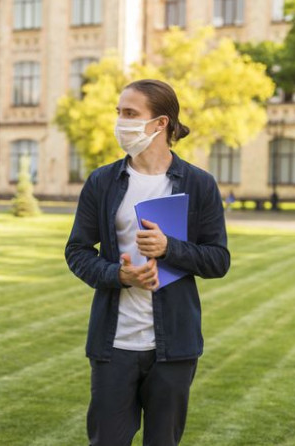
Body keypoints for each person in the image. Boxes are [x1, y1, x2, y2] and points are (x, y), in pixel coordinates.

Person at [65, 79, 230, 446]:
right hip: (114, 344)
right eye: (119, 112)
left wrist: (170, 247)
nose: (120, 122)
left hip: (174, 346)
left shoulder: (198, 184)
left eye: (130, 113)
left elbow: (218, 260)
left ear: (161, 123)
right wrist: (119, 275)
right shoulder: (103, 182)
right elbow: (76, 251)